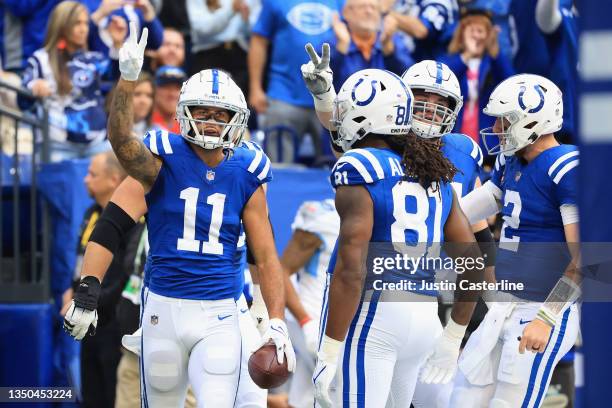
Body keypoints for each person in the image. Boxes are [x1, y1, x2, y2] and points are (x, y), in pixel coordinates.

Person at [64, 24, 295, 406]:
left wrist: (275, 318)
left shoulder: (246, 170)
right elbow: (111, 225)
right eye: (201, 112)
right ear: (184, 114)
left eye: (219, 114)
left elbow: (265, 255)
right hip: (162, 310)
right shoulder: (159, 159)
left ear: (236, 120)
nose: (209, 121)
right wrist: (88, 288)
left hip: (220, 311)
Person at [310, 68, 484, 407]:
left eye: (345, 111)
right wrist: (453, 335)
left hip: (373, 314)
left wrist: (329, 351)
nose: (339, 120)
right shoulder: (436, 175)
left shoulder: (361, 164)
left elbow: (351, 270)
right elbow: (474, 263)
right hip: (424, 316)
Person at [451, 73, 580, 407]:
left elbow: (585, 259)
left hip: (541, 307)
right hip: (502, 306)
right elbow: (463, 213)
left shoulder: (565, 168)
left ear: (533, 121)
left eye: (504, 121)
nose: (496, 129)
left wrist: (547, 317)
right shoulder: (512, 163)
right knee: (461, 400)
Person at [18, 1, 125, 162]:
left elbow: (115, 75)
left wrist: (117, 44)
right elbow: (22, 100)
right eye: (77, 23)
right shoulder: (41, 59)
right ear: (61, 25)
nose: (83, 29)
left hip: (96, 143)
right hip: (58, 145)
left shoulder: (92, 59)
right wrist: (34, 87)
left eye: (86, 23)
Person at [248, 0, 338, 162]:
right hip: (283, 94)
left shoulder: (341, 2)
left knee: (335, 166)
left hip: (331, 98)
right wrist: (255, 87)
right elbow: (259, 41)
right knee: (277, 169)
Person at [74, 151, 130, 408]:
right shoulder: (90, 214)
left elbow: (127, 274)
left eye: (92, 174)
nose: (86, 180)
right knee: (91, 392)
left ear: (114, 180)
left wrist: (94, 301)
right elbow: (79, 258)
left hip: (113, 322)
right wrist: (71, 292)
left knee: (111, 393)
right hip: (86, 316)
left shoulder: (132, 220)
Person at [282, 199, 340, 408]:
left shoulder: (379, 216)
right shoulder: (323, 216)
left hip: (342, 324)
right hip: (313, 319)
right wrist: (306, 321)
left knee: (304, 397)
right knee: (335, 395)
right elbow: (281, 273)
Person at [441, 9, 514, 145]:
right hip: (456, 133)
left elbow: (510, 84)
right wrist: (467, 55)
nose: (476, 36)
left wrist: (495, 53)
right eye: (471, 31)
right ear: (462, 34)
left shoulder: (495, 63)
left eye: (480, 31)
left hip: (486, 138)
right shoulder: (452, 60)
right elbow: (442, 79)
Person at [328, 0, 413, 91]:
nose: (369, 11)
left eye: (374, 8)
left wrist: (388, 48)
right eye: (362, 7)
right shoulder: (332, 43)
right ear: (346, 13)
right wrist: (341, 48)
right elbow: (320, 81)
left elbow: (409, 78)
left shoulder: (391, 40)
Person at [390, 0, 459, 61]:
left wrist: (385, 12)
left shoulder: (442, 2)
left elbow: (421, 31)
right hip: (393, 53)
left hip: (420, 68)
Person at [150, 65, 186, 133]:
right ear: (153, 90)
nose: (172, 94)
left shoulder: (188, 125)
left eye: (178, 88)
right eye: (167, 87)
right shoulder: (142, 121)